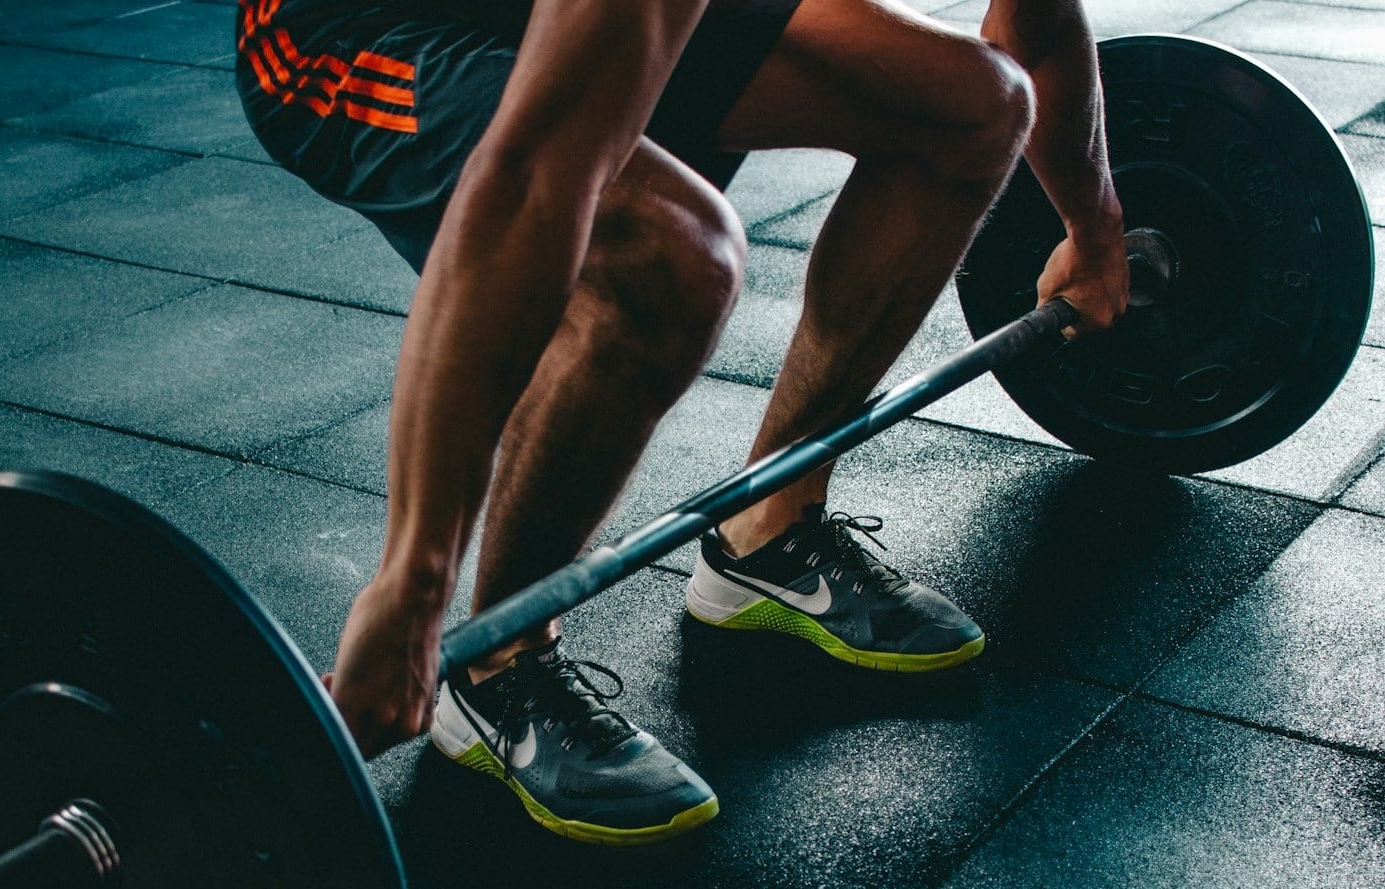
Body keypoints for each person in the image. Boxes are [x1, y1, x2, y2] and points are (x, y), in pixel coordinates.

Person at [236, 0, 1128, 845]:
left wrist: (1094, 228)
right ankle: (497, 665)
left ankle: (767, 529)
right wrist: (413, 583)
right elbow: (535, 176)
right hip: (353, 28)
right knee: (673, 254)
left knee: (973, 105)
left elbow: (1036, 31)